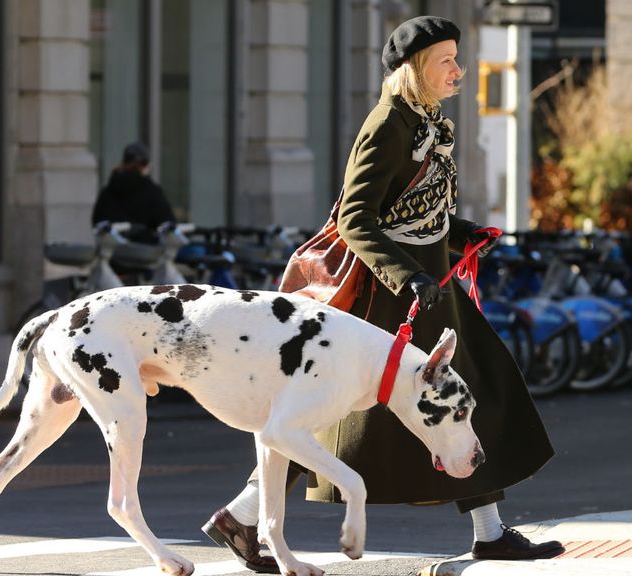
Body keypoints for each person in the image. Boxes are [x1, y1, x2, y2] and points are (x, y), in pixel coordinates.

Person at [201, 16, 562, 573]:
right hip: (391, 298)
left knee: (473, 392)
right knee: (333, 411)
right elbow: (355, 219)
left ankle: (487, 532)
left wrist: (463, 233)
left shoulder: (428, 120)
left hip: (429, 288)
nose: (458, 69)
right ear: (415, 69)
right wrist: (404, 275)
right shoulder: (388, 123)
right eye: (445, 59)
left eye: (455, 57)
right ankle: (244, 514)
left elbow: (417, 206)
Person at [91, 142, 176, 244]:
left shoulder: (108, 191)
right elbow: (166, 222)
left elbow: (97, 222)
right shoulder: (152, 191)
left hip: (113, 253)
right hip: (145, 253)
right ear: (145, 165)